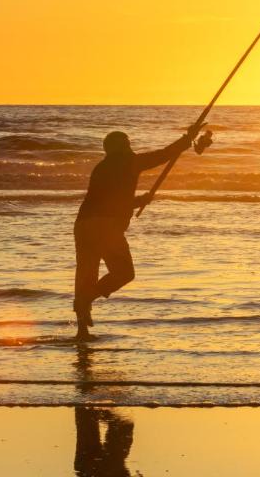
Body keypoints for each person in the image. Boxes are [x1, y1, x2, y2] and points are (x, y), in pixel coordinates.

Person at [72, 128, 198, 339]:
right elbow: (164, 155)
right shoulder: (129, 162)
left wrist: (138, 201)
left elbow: (109, 200)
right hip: (105, 226)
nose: (131, 149)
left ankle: (82, 329)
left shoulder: (101, 168)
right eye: (128, 145)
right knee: (124, 273)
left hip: (83, 225)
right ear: (122, 147)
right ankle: (85, 300)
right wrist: (187, 139)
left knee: (86, 274)